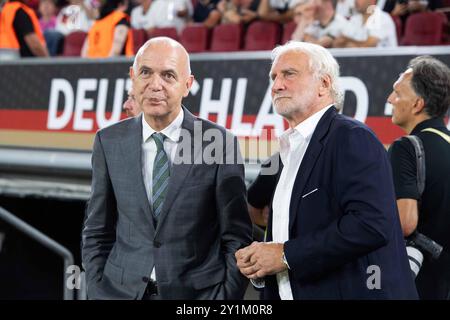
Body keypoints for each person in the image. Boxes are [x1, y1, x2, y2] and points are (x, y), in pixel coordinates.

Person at [235, 41, 418, 299]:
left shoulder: (352, 137)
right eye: (273, 77)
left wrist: (285, 254)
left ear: (324, 84)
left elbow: (372, 224)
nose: (276, 85)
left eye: (289, 74)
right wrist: (262, 257)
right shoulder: (290, 150)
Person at [82, 37, 252, 300]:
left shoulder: (219, 142)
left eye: (168, 75)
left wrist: (225, 297)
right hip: (119, 293)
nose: (155, 85)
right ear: (133, 77)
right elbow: (97, 229)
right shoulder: (108, 140)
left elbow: (236, 235)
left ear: (187, 85)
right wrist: (96, 289)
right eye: (146, 73)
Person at [387, 56, 450, 300]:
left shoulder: (406, 147)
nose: (390, 99)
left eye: (397, 93)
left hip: (420, 283)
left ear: (417, 104)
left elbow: (405, 223)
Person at [333, 0, 397, 47]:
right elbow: (338, 42)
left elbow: (369, 46)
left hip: (384, 63)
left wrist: (347, 41)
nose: (356, 1)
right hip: (358, 62)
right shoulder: (354, 19)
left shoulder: (382, 18)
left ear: (372, 1)